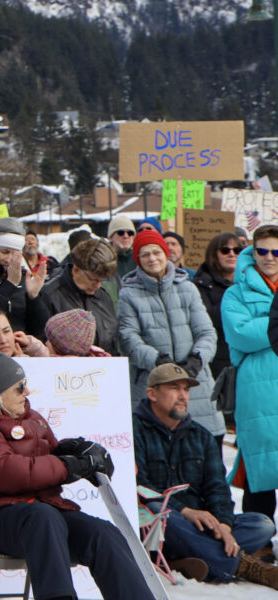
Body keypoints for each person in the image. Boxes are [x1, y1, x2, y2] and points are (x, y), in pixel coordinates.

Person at [0, 353, 150, 600]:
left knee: (102, 533)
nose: (26, 391)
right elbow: (8, 473)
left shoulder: (29, 416)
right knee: (42, 517)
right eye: (19, 387)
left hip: (39, 515)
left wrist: (77, 453)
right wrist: (69, 466)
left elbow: (47, 454)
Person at [132, 363, 278, 585]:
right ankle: (246, 567)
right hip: (161, 523)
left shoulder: (201, 435)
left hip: (202, 525)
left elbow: (217, 487)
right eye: (174, 388)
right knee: (158, 512)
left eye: (186, 389)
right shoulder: (133, 430)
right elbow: (139, 486)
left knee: (262, 525)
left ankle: (183, 559)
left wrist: (224, 525)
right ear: (152, 394)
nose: (183, 396)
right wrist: (186, 511)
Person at [118, 228, 220, 435]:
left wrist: (197, 359)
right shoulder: (128, 294)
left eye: (156, 252)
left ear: (165, 254)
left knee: (202, 443)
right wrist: (158, 362)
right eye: (145, 254)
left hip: (195, 381)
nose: (152, 258)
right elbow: (128, 338)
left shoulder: (187, 288)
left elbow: (206, 332)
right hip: (152, 381)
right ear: (138, 260)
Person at [220, 226, 278, 520]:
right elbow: (241, 334)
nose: (269, 257)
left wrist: (266, 324)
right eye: (262, 251)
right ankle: (259, 539)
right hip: (257, 388)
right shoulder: (235, 293)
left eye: (276, 251)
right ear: (253, 253)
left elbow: (256, 331)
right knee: (259, 467)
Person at [37, 237, 120, 355]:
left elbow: (112, 341)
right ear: (76, 270)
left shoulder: (103, 296)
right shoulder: (50, 295)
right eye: (93, 280)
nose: (98, 286)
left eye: (102, 280)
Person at [194, 231, 241, 389]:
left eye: (237, 250)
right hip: (217, 361)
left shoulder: (250, 283)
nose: (232, 254)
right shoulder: (200, 285)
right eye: (225, 250)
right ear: (214, 255)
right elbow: (208, 320)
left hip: (245, 359)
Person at [107, 213, 137, 278]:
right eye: (121, 233)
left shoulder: (138, 258)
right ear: (111, 237)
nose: (126, 236)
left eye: (130, 233)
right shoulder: (104, 259)